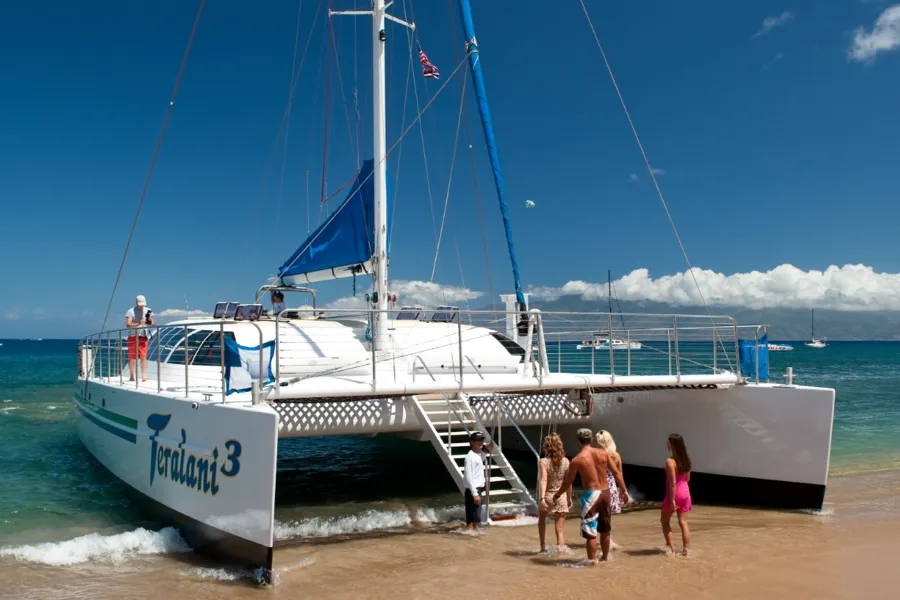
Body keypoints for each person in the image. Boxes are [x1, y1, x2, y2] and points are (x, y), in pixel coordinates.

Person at [552, 428, 627, 563]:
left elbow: (568, 482)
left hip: (591, 495)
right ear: (591, 439)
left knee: (590, 533)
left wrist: (557, 495)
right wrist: (624, 490)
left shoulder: (577, 460)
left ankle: (591, 562)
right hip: (605, 493)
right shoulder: (603, 453)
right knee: (605, 530)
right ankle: (604, 559)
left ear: (578, 441)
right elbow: (616, 473)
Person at [537, 433, 571, 553]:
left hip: (548, 496)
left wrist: (542, 498)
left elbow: (544, 480)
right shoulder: (566, 462)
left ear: (547, 447)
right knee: (560, 529)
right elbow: (568, 482)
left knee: (542, 521)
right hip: (561, 497)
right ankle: (561, 553)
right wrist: (569, 498)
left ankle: (542, 546)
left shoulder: (544, 462)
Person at [595, 429, 629, 548]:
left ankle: (598, 540)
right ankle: (607, 539)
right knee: (607, 515)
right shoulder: (616, 456)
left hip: (599, 485)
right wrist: (623, 490)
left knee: (597, 515)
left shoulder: (596, 455)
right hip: (612, 486)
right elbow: (619, 474)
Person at [661, 433, 693, 556]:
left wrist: (671, 500)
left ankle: (671, 549)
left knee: (664, 521)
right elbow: (687, 479)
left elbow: (673, 483)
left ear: (672, 445)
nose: (666, 445)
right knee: (683, 523)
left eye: (668, 443)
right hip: (686, 493)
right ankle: (686, 550)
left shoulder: (670, 461)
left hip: (675, 493)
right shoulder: (687, 459)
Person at [463, 431, 493, 531]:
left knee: (476, 517)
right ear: (471, 442)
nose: (480, 442)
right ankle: (469, 536)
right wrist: (474, 493)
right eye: (477, 441)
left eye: (481, 440)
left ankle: (472, 537)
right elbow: (468, 476)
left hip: (478, 488)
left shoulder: (479, 454)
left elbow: (482, 456)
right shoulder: (470, 457)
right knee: (472, 518)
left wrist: (487, 449)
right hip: (473, 490)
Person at [125, 295, 154, 382]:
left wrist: (149, 321)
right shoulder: (130, 311)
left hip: (143, 335)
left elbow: (152, 323)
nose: (141, 306)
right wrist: (138, 323)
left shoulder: (148, 310)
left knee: (143, 356)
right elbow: (128, 324)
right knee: (132, 357)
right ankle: (131, 376)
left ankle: (144, 376)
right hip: (133, 336)